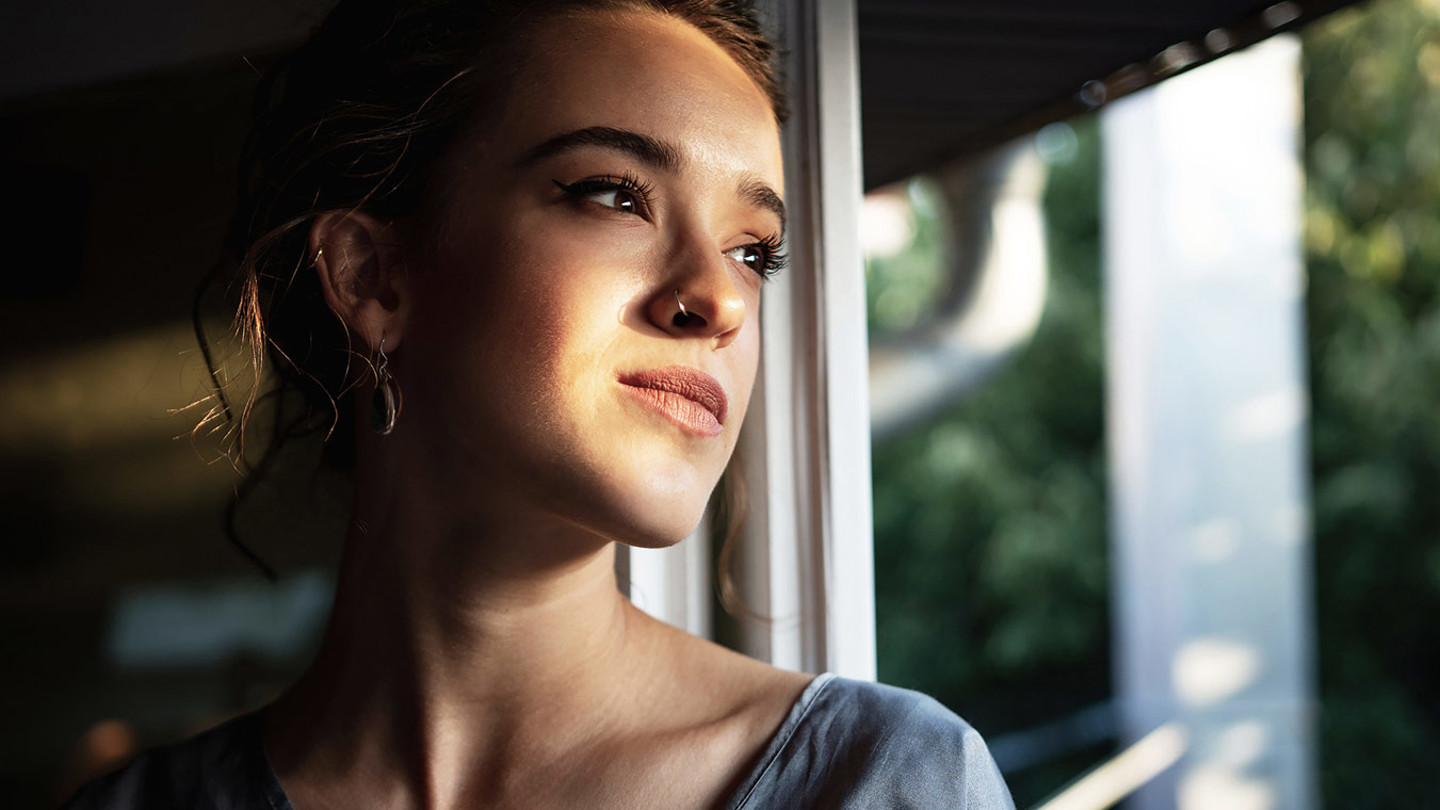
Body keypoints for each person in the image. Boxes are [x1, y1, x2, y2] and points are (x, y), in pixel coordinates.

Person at [65, 0, 1014, 807]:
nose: (722, 301)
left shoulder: (885, 780)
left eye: (753, 251)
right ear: (371, 276)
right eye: (615, 196)